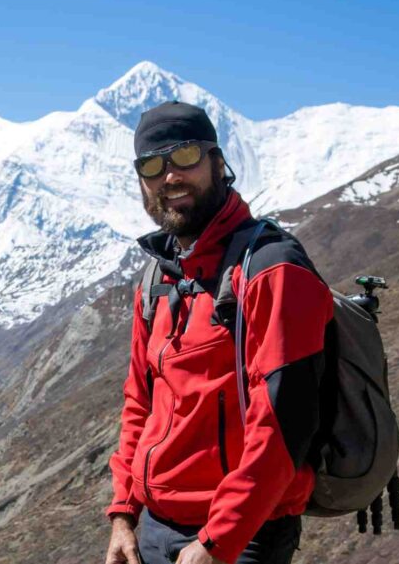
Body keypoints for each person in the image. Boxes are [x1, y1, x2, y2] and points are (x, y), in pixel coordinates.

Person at [103, 102, 334, 564]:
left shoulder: (273, 270)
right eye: (152, 165)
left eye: (185, 156)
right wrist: (124, 515)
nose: (170, 177)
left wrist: (218, 540)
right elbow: (139, 404)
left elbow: (284, 424)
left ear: (217, 161)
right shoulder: (158, 279)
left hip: (243, 536)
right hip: (154, 529)